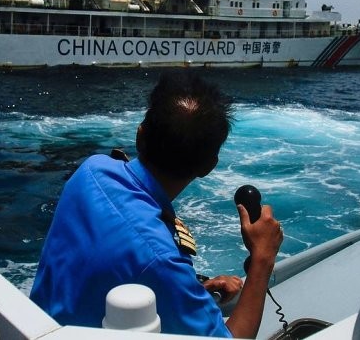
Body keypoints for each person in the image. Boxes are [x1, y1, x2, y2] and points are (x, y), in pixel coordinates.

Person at [30, 71, 283, 338]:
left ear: (140, 136)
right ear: (208, 167)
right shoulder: (160, 261)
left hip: (40, 326)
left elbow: (102, 266)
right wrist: (262, 259)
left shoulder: (91, 170)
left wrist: (189, 288)